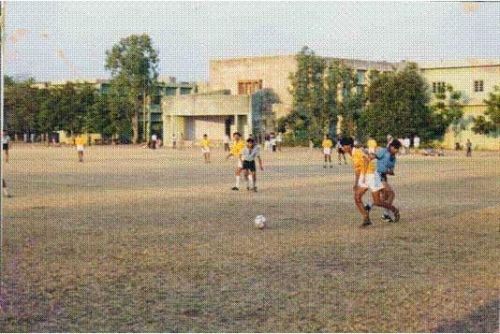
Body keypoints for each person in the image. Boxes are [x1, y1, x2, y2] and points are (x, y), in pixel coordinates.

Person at [354, 140, 402, 227]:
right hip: (378, 175)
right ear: (392, 147)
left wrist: (390, 172)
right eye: (396, 149)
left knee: (383, 197)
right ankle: (387, 213)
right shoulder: (384, 151)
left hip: (383, 176)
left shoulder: (393, 158)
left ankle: (369, 206)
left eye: (397, 149)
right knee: (391, 194)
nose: (397, 151)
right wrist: (369, 156)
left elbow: (391, 170)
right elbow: (374, 156)